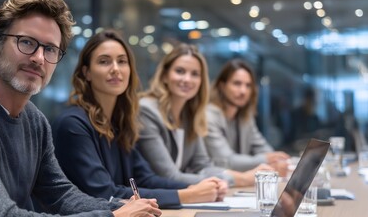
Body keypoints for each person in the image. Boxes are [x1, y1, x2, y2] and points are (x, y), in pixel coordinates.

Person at [0, 0, 160, 217]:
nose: (39, 58)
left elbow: (60, 195)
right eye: (26, 42)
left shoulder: (34, 120)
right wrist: (113, 216)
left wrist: (122, 207)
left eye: (50, 49)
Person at [52, 29, 226, 209]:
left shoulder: (119, 122)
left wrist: (195, 188)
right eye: (104, 61)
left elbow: (145, 178)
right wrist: (187, 195)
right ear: (86, 72)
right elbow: (105, 193)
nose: (115, 69)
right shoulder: (72, 124)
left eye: (122, 61)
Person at [137, 44, 272, 187]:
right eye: (180, 71)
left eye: (195, 74)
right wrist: (241, 179)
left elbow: (203, 166)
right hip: (152, 202)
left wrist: (240, 176)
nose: (187, 79)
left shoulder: (190, 115)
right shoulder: (147, 110)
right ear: (164, 76)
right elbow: (169, 176)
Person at [204, 58, 289, 175]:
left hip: (237, 185)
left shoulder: (245, 117)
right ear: (222, 86)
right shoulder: (208, 117)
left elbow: (262, 147)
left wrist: (276, 160)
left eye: (248, 85)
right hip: (215, 184)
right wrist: (267, 160)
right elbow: (226, 161)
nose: (243, 91)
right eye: (237, 83)